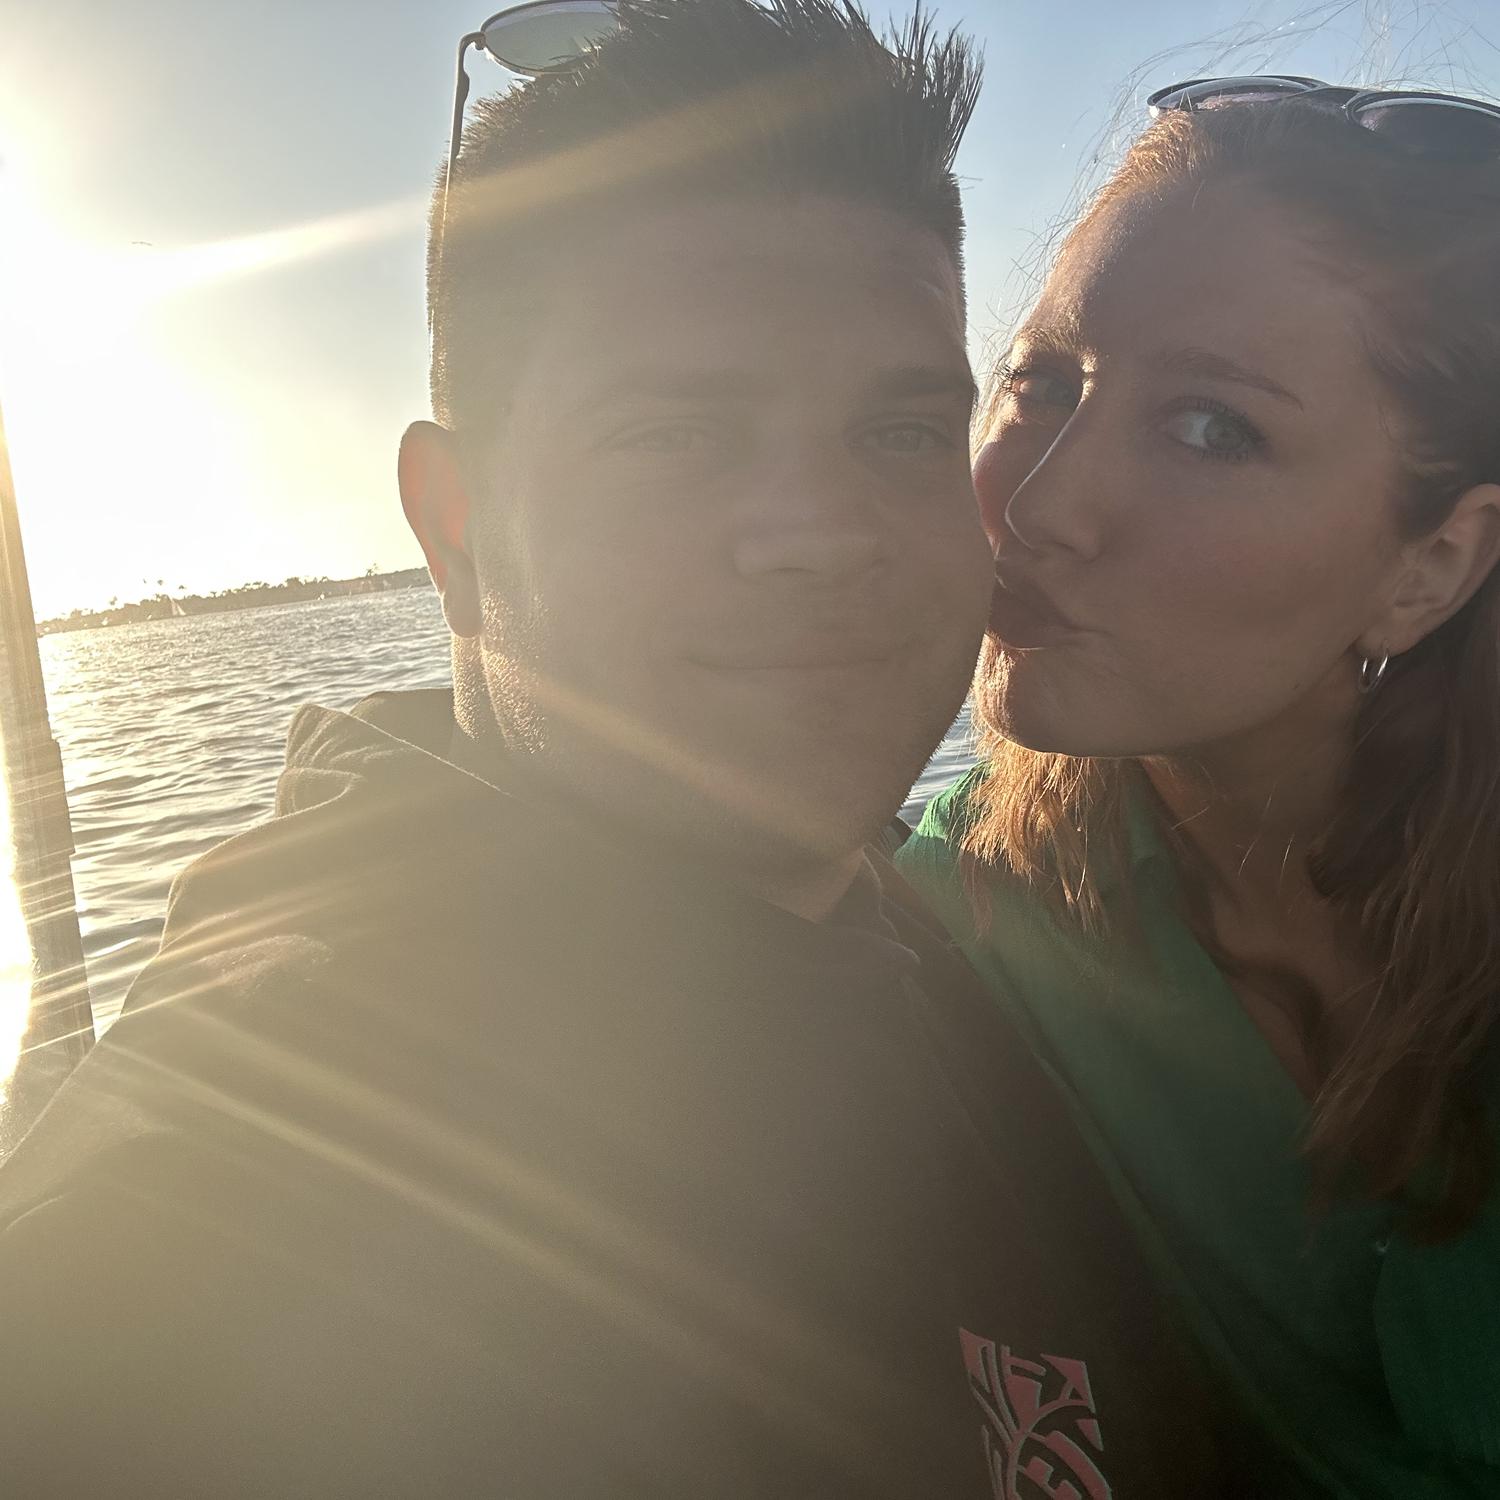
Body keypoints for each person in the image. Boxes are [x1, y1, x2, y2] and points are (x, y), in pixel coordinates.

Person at [0, 4, 1253, 1496]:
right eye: (673, 436)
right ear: (458, 530)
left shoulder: (918, 941)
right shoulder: (208, 1235)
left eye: (902, 433)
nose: (819, 535)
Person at [895, 77, 1500, 1500]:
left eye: (1212, 428)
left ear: (1432, 566)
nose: (1038, 504)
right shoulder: (965, 921)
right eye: (1042, 383)